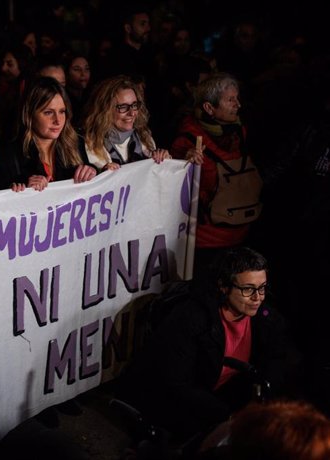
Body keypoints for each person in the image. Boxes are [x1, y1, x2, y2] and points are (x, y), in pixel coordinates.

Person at [115, 247, 299, 442]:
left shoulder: (266, 318)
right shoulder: (191, 319)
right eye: (248, 289)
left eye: (262, 288)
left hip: (217, 393)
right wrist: (228, 416)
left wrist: (264, 401)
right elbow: (175, 384)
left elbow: (276, 359)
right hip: (174, 401)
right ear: (224, 286)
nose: (258, 297)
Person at [171, 72, 261, 277]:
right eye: (230, 100)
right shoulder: (188, 141)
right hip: (207, 244)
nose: (238, 105)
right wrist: (182, 162)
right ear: (209, 108)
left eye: (237, 98)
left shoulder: (241, 133)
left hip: (241, 235)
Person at [0, 76, 97, 191]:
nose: (58, 121)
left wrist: (94, 171)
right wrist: (22, 188)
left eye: (62, 112)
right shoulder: (11, 154)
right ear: (30, 115)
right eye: (48, 112)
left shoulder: (75, 143)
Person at [83, 75, 171, 171]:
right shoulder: (92, 143)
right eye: (123, 107)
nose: (132, 113)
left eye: (134, 105)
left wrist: (163, 160)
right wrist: (102, 173)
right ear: (105, 110)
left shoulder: (144, 136)